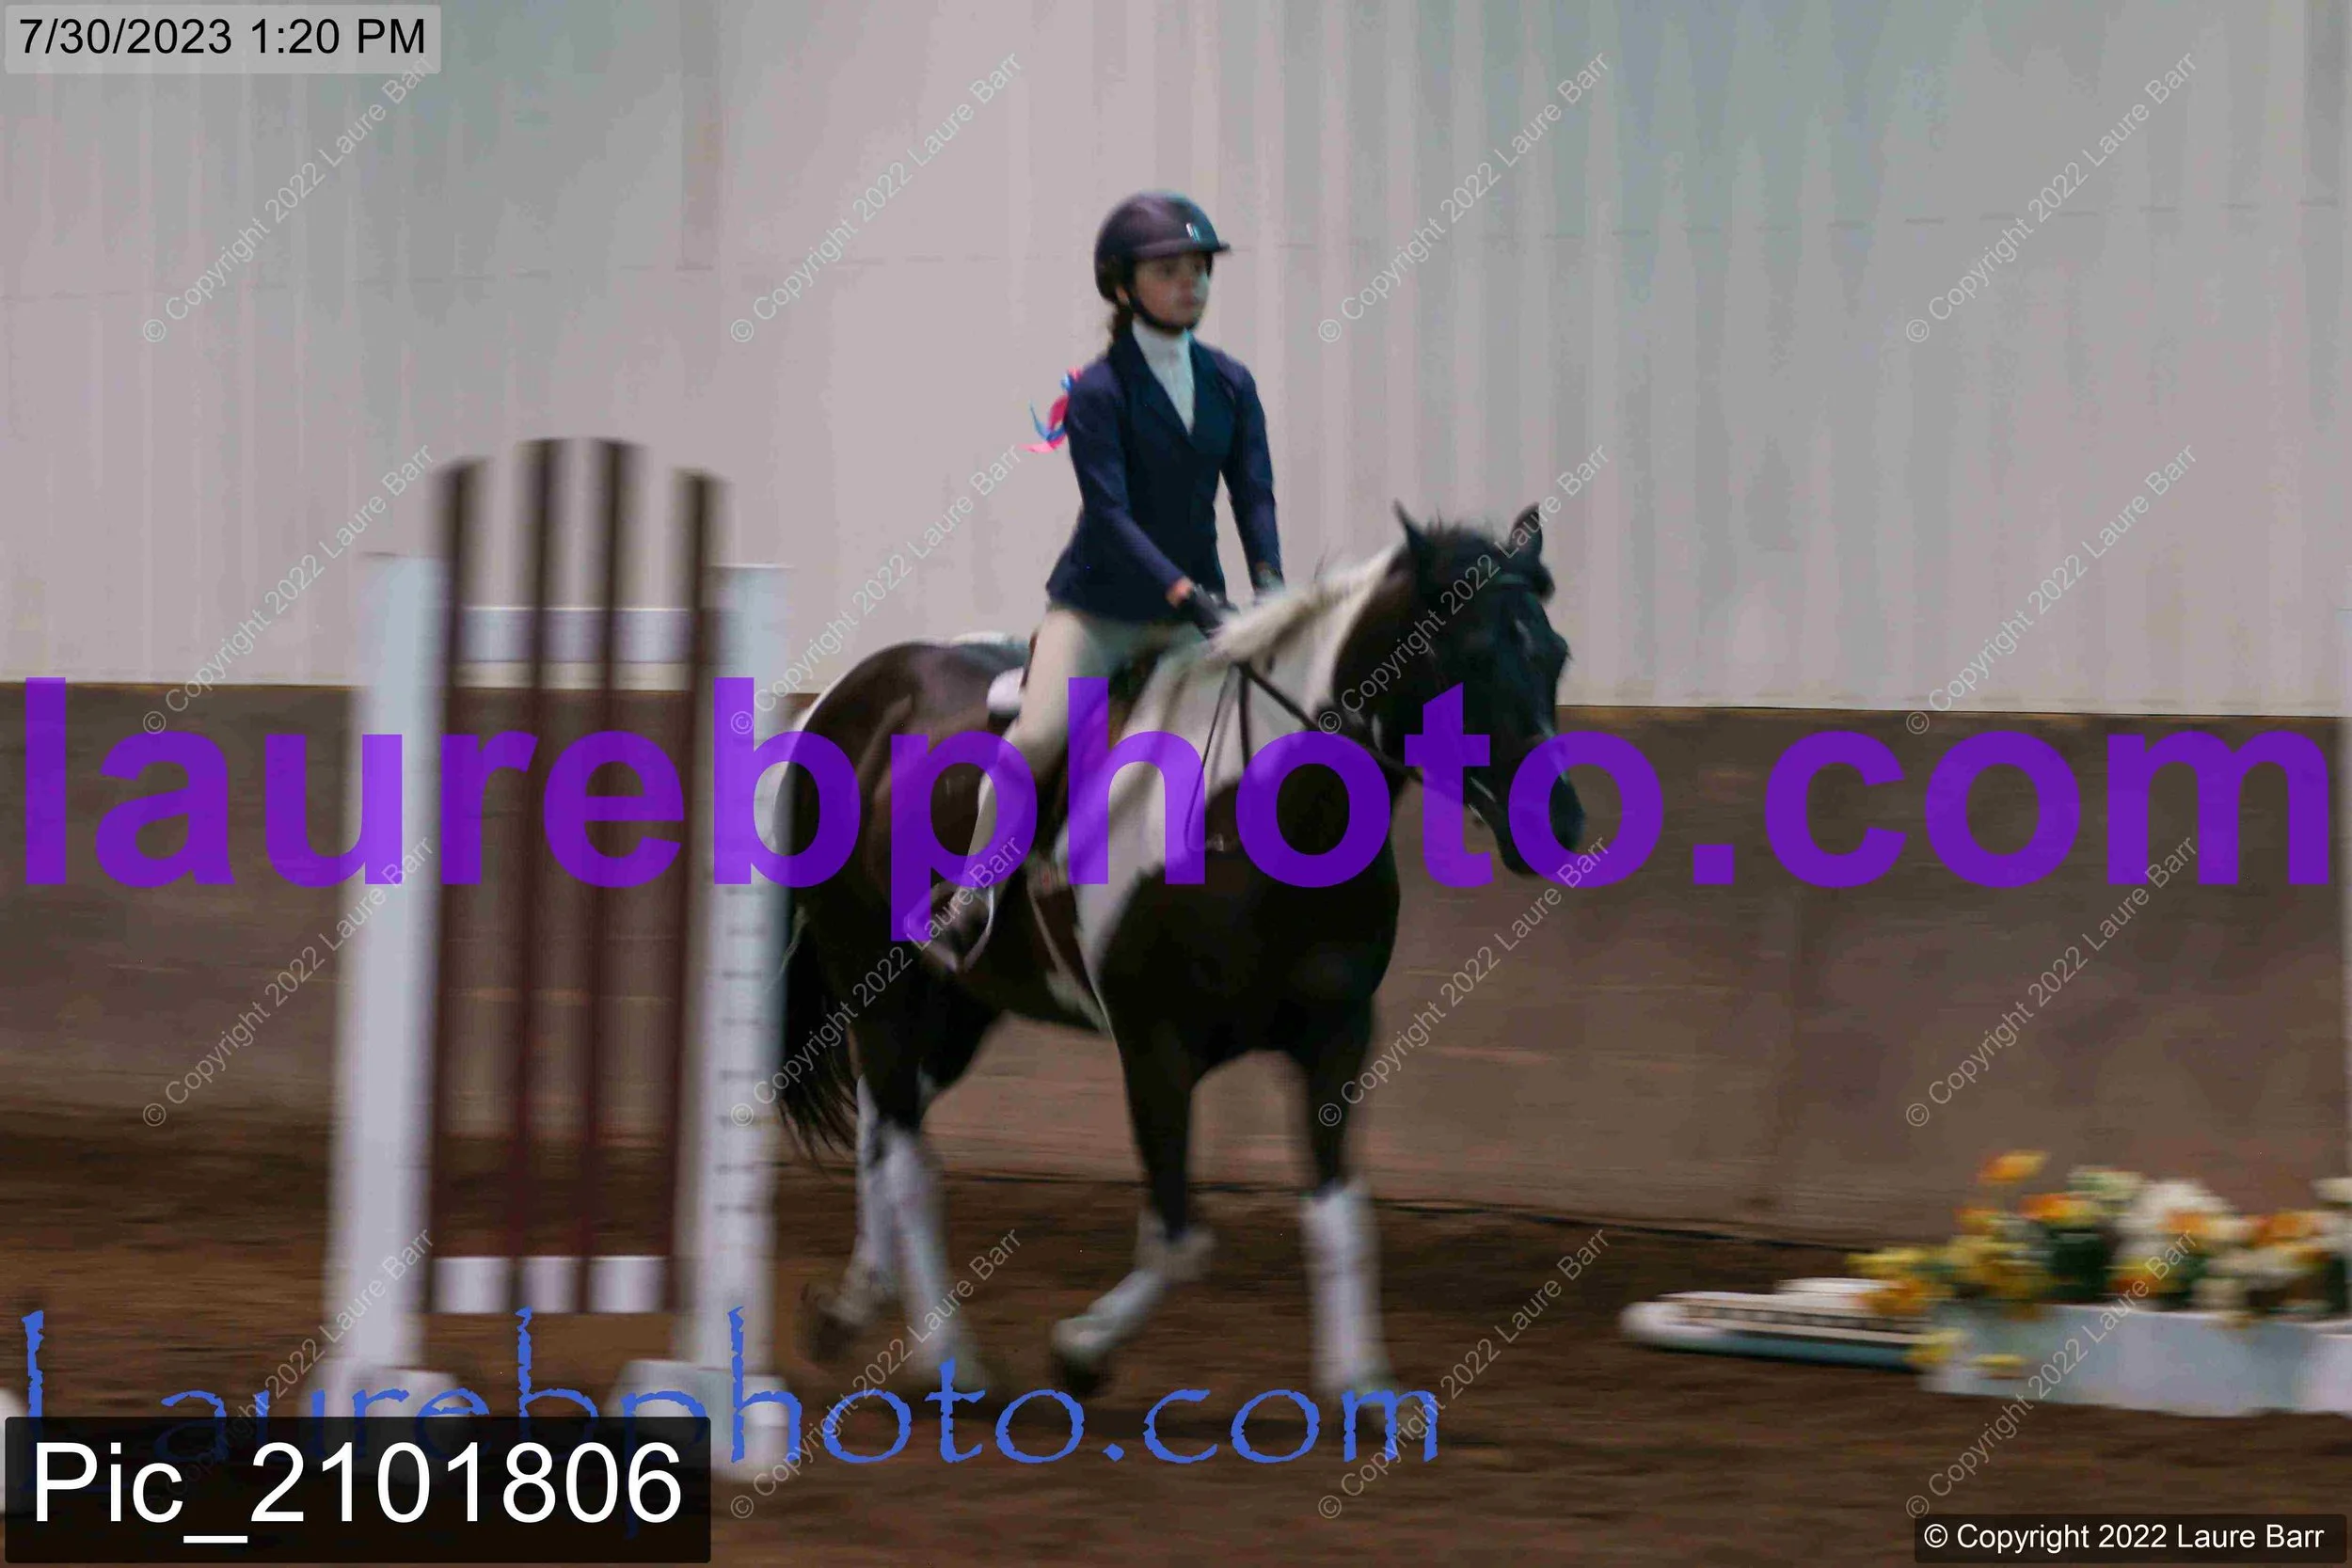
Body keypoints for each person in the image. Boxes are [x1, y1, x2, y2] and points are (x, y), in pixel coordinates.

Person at [930, 190, 1285, 969]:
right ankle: (973, 891)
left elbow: (1252, 494)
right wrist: (1187, 594)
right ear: (1122, 287)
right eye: (1169, 270)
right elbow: (1112, 515)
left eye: (1199, 268)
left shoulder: (1231, 382)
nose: (1191, 283)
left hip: (1198, 611)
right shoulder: (1099, 390)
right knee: (1040, 734)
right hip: (1099, 609)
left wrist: (1270, 589)